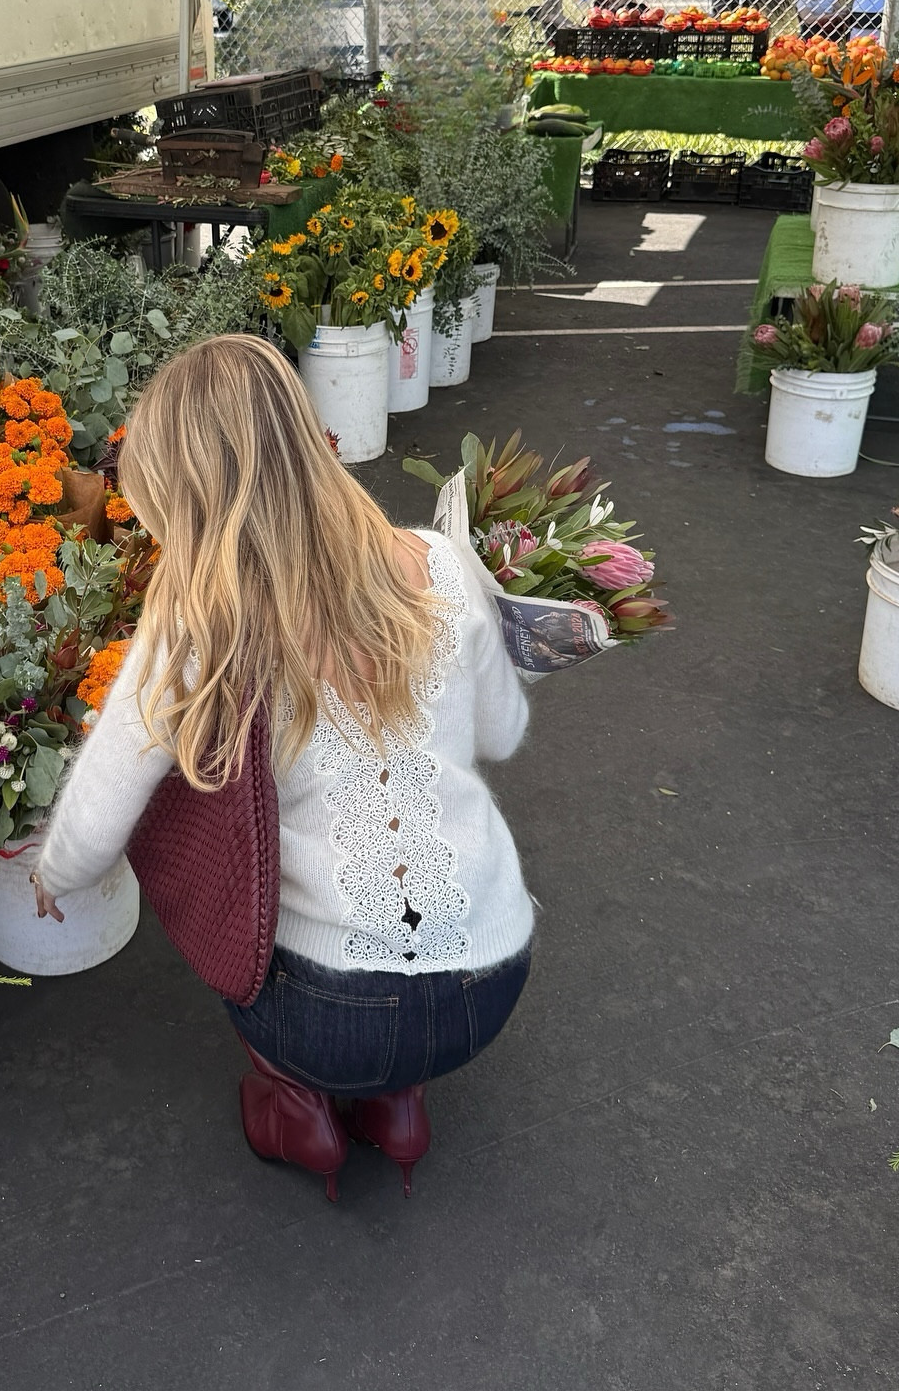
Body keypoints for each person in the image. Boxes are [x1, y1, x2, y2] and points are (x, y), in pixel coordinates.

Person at [32, 334, 535, 1202]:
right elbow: (504, 728)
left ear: (187, 494)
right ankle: (398, 1108)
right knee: (405, 986)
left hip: (326, 1017)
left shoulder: (201, 620)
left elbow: (105, 803)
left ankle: (297, 1104)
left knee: (250, 948)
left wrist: (55, 876)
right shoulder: (443, 564)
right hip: (493, 978)